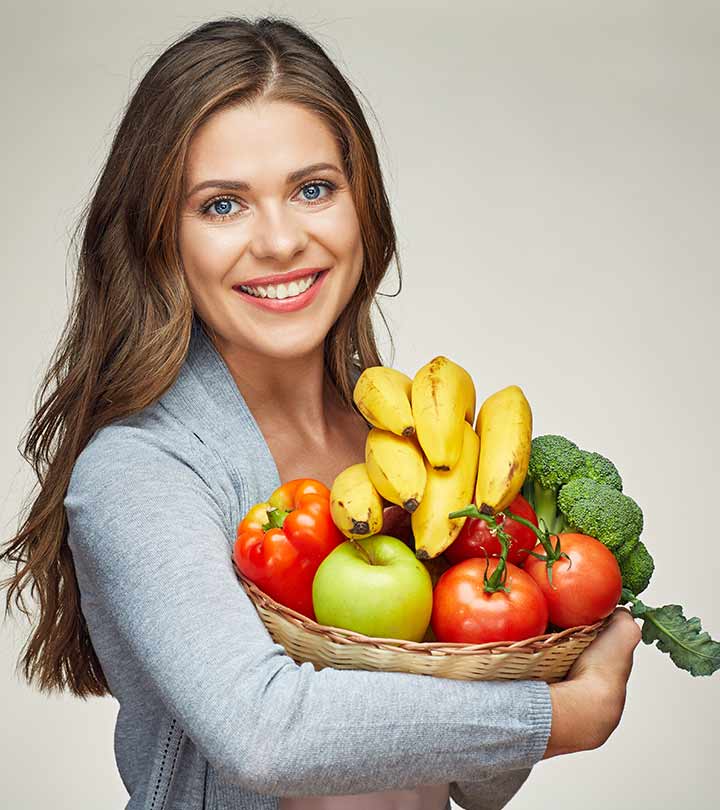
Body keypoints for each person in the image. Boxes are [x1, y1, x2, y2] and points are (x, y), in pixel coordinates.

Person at [0, 15, 642, 810]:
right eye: (223, 205)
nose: (279, 241)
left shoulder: (408, 455)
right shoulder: (140, 470)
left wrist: (549, 631)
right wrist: (552, 715)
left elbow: (476, 788)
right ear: (161, 237)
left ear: (360, 205)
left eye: (313, 189)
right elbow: (264, 735)